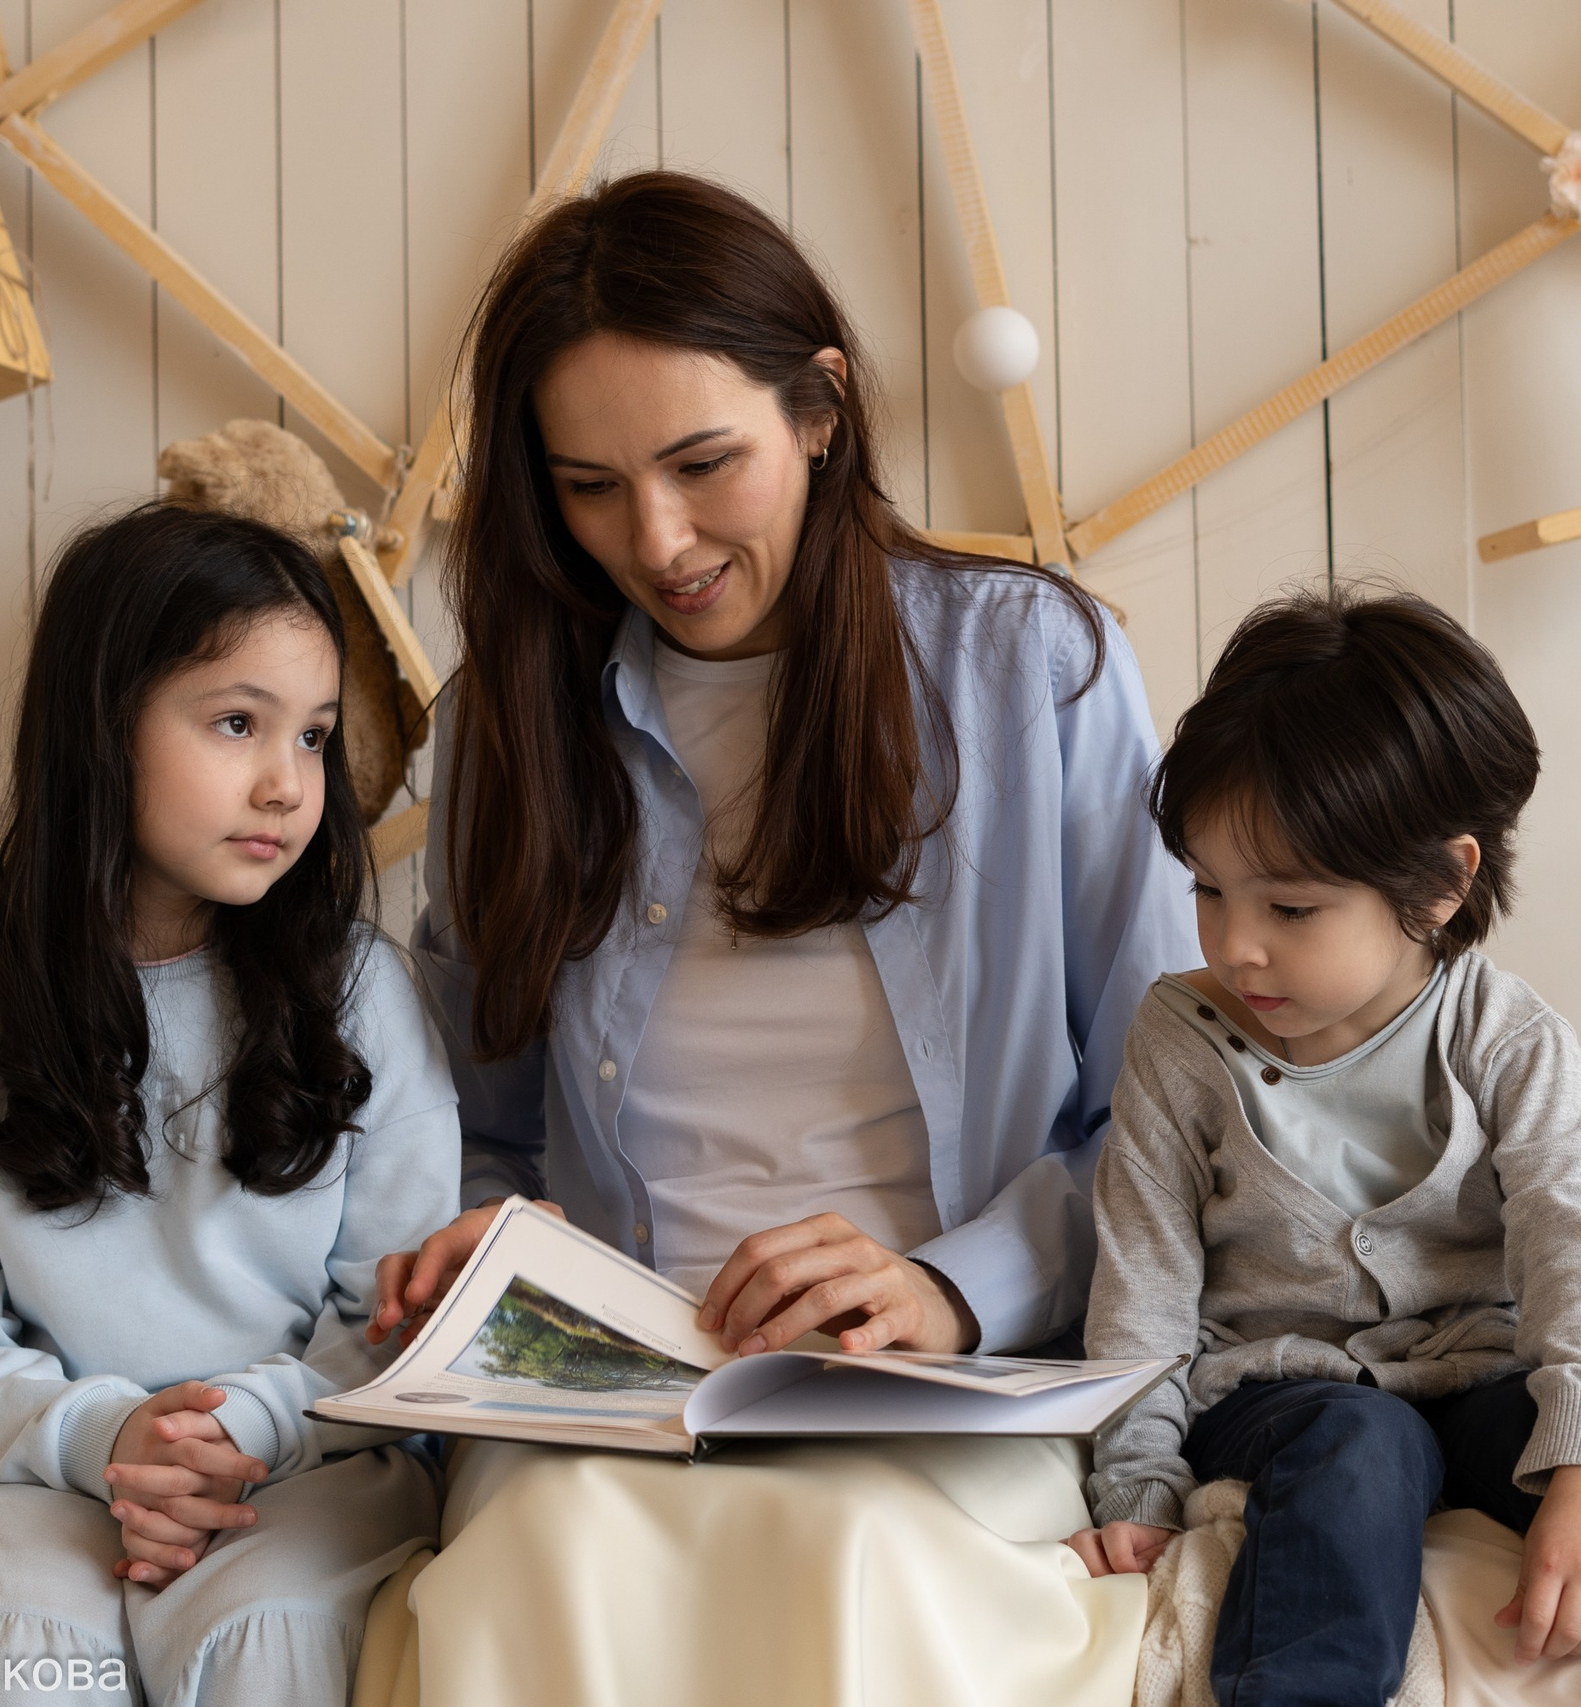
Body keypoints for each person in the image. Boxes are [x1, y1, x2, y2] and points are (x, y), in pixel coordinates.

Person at [371, 171, 1194, 1705]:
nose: (657, 538)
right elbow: (476, 1127)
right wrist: (485, 1246)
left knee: (861, 1573)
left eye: (702, 462)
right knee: (547, 1566)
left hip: (937, 1394)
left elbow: (1163, 1120)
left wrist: (954, 1286)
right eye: (590, 485)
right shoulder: (508, 718)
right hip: (605, 1407)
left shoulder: (1036, 669)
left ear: (821, 410)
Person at [1066, 587, 1581, 1705]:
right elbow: (1142, 1280)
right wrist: (1138, 1485)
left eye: (1289, 908)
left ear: (1441, 883)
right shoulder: (1178, 1038)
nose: (1233, 941)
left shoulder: (1505, 1037)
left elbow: (1577, 1241)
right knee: (1359, 1448)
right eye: (1206, 888)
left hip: (1488, 1372)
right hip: (1282, 1390)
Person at [0, 504, 459, 1707]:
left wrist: (245, 1424)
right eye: (237, 723)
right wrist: (106, 1442)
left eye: (316, 737)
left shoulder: (359, 996)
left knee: (269, 1637)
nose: (287, 784)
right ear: (101, 728)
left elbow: (398, 1312)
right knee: (19, 1657)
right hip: (32, 1475)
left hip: (310, 1465)